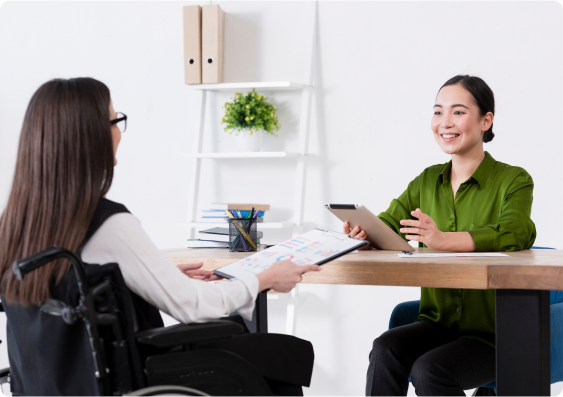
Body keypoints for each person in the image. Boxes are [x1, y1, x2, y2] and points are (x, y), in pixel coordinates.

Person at [0, 78, 321, 397]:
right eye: (115, 121)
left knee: (254, 343)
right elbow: (193, 306)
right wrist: (263, 278)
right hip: (134, 378)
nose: (118, 133)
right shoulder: (106, 223)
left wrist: (152, 281)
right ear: (91, 136)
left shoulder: (16, 225)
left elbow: (74, 293)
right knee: (280, 356)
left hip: (57, 384)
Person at [344, 75, 536, 397]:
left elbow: (515, 232)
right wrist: (364, 234)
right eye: (438, 112)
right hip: (437, 326)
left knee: (430, 370)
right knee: (385, 349)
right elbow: (389, 225)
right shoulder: (426, 181)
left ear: (486, 120)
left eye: (458, 112)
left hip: (495, 336)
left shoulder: (513, 180)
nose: (445, 122)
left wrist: (444, 239)